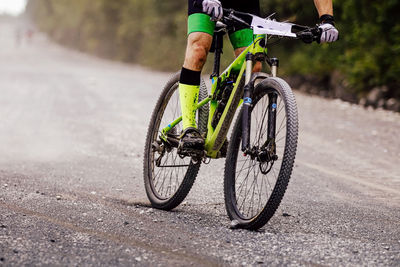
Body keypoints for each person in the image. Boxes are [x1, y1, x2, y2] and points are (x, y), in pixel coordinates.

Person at [178, 0, 339, 153]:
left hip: (243, 3)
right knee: (199, 48)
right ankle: (189, 129)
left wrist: (327, 21)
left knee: (253, 64)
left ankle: (220, 114)